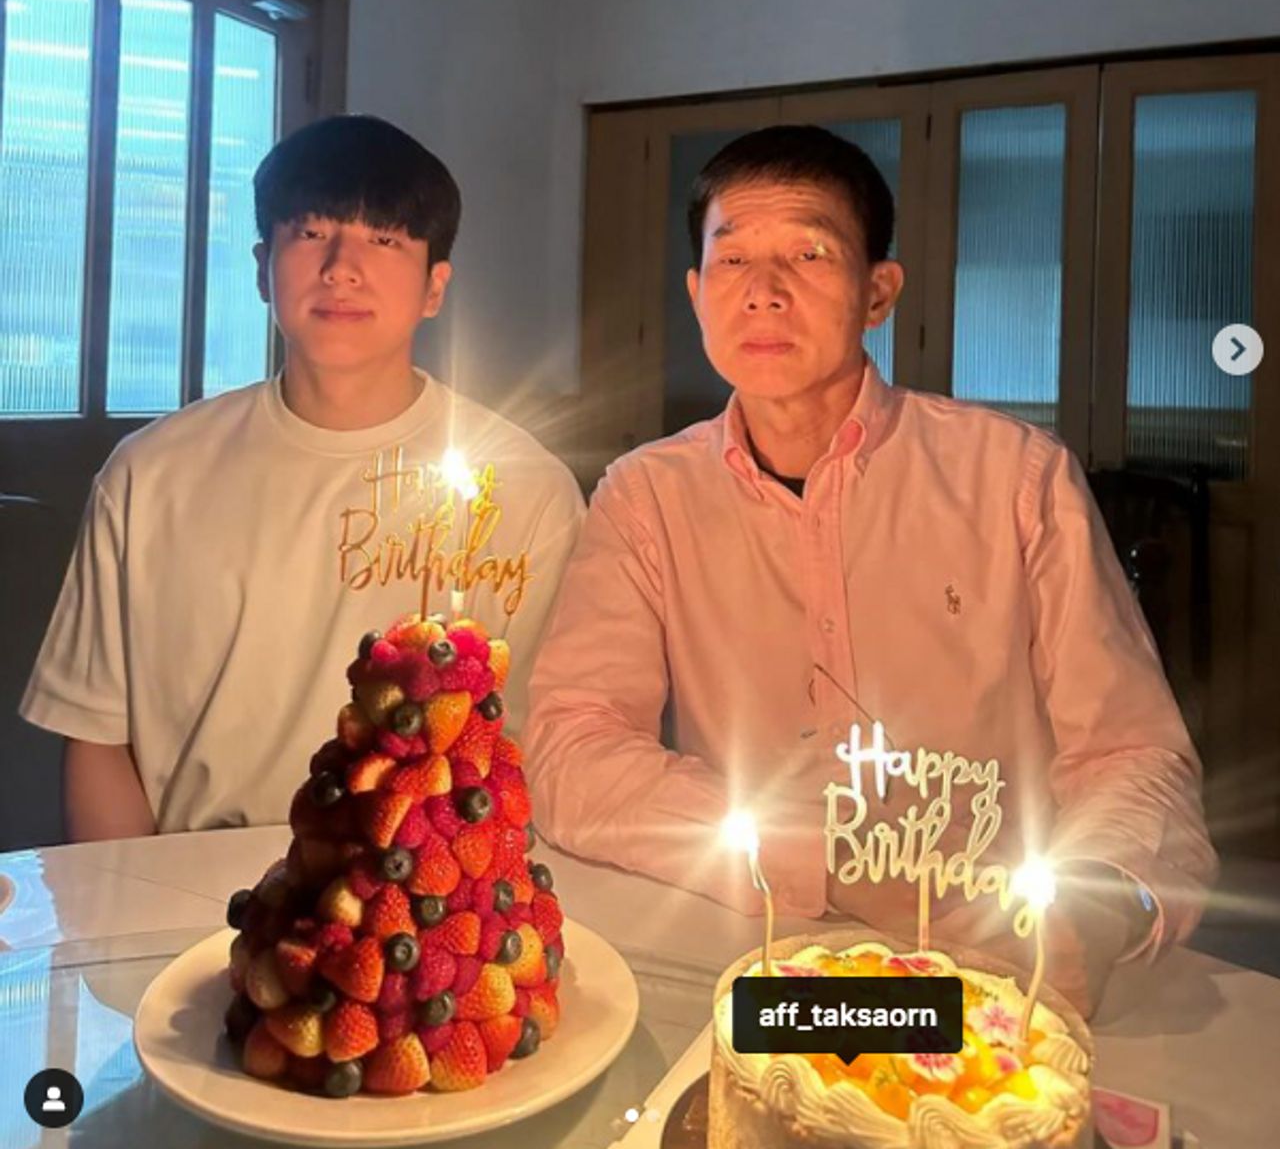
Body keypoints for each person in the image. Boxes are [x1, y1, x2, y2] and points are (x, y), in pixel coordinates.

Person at [526, 124, 1215, 1013]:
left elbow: (1132, 752)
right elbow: (575, 751)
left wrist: (1095, 904)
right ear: (697, 293)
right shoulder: (646, 495)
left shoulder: (1015, 478)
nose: (764, 292)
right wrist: (824, 856)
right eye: (732, 261)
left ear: (879, 292)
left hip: (998, 970)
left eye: (809, 253)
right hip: (755, 957)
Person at [21, 114, 583, 841]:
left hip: (416, 888)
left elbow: (538, 751)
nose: (341, 267)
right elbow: (98, 735)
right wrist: (128, 898)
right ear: (263, 269)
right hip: (186, 882)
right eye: (311, 232)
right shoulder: (149, 475)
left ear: (435, 287)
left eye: (384, 239)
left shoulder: (525, 491)